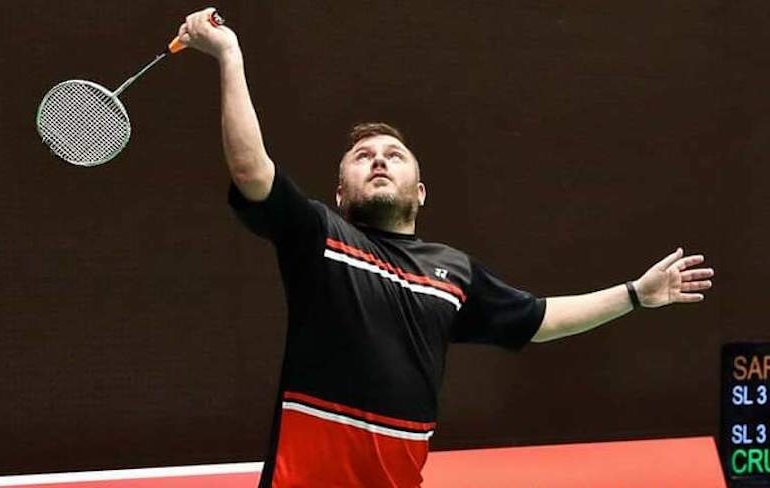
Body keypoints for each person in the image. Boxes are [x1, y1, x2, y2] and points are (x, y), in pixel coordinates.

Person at [177, 8, 715, 487]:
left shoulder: (452, 272)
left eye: (394, 154)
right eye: (363, 156)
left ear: (421, 190)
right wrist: (230, 55)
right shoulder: (319, 237)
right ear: (340, 192)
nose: (380, 160)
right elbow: (251, 170)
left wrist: (635, 295)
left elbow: (540, 318)